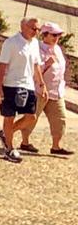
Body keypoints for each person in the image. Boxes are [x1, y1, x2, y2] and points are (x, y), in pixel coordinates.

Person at [0, 17, 44, 164]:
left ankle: (6, 133)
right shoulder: (11, 43)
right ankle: (9, 148)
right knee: (9, 117)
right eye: (33, 28)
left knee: (31, 117)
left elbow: (36, 65)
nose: (36, 32)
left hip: (28, 85)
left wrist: (41, 84)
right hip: (10, 85)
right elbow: (2, 67)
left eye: (38, 29)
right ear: (23, 26)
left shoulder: (35, 43)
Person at [36, 21, 69, 156]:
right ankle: (19, 140)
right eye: (53, 35)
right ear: (45, 35)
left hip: (56, 92)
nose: (56, 37)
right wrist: (46, 64)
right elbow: (34, 71)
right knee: (30, 118)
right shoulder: (38, 49)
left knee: (60, 119)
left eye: (58, 35)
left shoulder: (58, 49)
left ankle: (56, 146)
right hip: (40, 91)